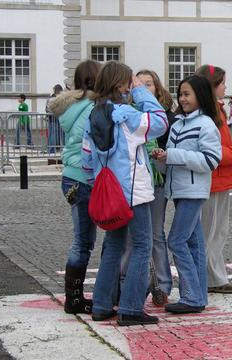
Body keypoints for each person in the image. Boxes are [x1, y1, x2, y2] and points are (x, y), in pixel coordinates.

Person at [81, 61, 168, 326]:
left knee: (113, 247)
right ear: (122, 84)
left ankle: (102, 304)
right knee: (142, 246)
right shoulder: (126, 115)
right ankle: (130, 308)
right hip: (133, 191)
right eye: (129, 82)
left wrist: (96, 184)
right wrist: (142, 92)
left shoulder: (93, 115)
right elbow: (160, 121)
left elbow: (86, 159)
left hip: (109, 193)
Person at [151, 75, 222, 314]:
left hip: (193, 191)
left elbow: (211, 161)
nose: (182, 99)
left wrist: (172, 156)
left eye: (187, 94)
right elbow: (172, 158)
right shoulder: (178, 124)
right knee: (193, 244)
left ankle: (191, 296)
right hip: (179, 190)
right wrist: (161, 158)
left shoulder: (206, 125)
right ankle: (198, 296)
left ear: (200, 96)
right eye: (180, 94)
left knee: (176, 240)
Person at [196, 64, 232, 294]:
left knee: (217, 231)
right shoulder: (209, 113)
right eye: (222, 83)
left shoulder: (215, 110)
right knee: (211, 232)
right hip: (213, 178)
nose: (226, 87)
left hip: (219, 178)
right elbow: (218, 150)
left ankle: (215, 276)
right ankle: (212, 278)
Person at [49, 60, 101, 314]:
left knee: (83, 238)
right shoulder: (93, 107)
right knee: (83, 241)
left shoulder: (71, 107)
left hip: (70, 176)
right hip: (84, 176)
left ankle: (75, 296)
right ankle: (74, 299)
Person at [135, 69, 177, 305]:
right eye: (139, 85)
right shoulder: (130, 114)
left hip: (156, 179)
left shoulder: (165, 118)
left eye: (148, 85)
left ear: (157, 89)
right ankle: (135, 284)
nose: (143, 89)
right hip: (134, 180)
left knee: (155, 234)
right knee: (134, 238)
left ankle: (162, 285)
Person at [46, 84, 64, 154]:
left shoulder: (49, 99)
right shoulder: (57, 99)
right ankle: (53, 150)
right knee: (55, 134)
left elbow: (47, 109)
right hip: (57, 118)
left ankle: (50, 150)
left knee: (51, 134)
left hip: (51, 118)